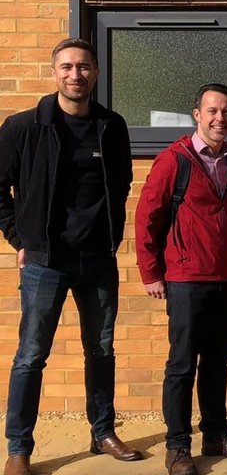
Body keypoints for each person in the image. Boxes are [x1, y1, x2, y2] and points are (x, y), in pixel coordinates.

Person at [0, 38, 141, 473]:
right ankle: (18, 448)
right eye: (66, 66)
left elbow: (121, 183)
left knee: (101, 351)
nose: (75, 74)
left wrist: (111, 235)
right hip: (45, 261)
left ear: (95, 73)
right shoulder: (25, 126)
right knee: (31, 355)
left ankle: (102, 432)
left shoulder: (112, 126)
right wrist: (20, 238)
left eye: (83, 67)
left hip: (98, 259)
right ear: (54, 71)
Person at [134, 83, 227, 475]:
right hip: (186, 279)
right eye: (213, 111)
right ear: (197, 114)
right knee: (182, 365)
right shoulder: (175, 160)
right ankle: (177, 445)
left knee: (217, 362)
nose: (220, 118)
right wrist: (151, 272)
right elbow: (146, 217)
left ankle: (216, 434)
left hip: (225, 278)